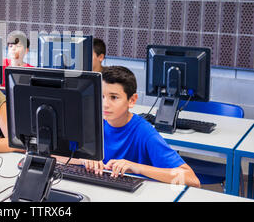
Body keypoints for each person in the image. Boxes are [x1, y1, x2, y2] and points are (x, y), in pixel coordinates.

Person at [61, 66, 201, 188]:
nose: (105, 104)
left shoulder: (144, 132)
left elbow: (191, 179)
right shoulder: (91, 122)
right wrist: (83, 160)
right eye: (101, 96)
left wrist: (136, 167)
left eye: (114, 97)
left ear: (132, 100)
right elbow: (52, 154)